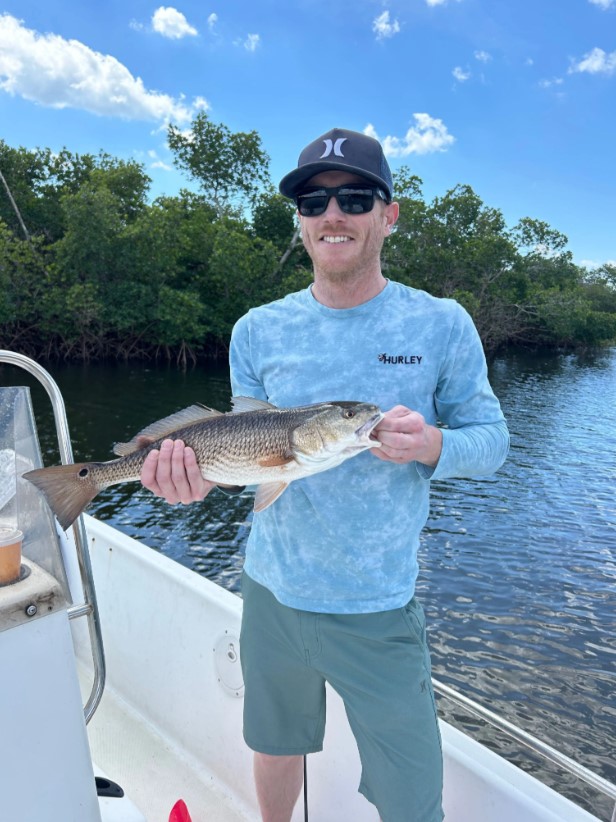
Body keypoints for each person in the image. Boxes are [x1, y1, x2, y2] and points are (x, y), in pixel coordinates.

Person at [141, 127, 510, 822]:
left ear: (388, 213)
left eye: (354, 198)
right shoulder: (256, 329)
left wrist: (432, 444)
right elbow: (241, 452)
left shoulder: (442, 323)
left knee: (410, 794)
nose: (332, 215)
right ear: (300, 221)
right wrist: (183, 482)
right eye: (313, 203)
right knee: (274, 741)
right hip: (270, 588)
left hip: (377, 605)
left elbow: (491, 442)